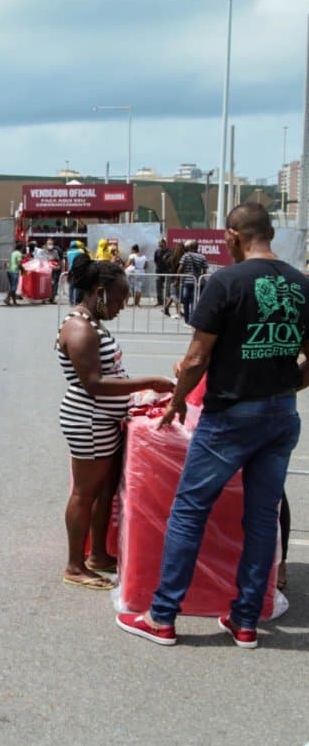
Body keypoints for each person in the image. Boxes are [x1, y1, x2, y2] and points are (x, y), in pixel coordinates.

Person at [117, 203, 309, 648]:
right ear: (269, 234)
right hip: (281, 413)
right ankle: (245, 622)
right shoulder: (302, 285)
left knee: (189, 511)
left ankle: (162, 616)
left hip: (230, 414)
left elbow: (198, 357)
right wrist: (285, 388)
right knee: (262, 519)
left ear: (232, 235)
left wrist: (178, 402)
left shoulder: (225, 282)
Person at [57, 255, 174, 589]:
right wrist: (148, 382)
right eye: (120, 298)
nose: (123, 306)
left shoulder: (92, 322)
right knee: (85, 492)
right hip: (89, 420)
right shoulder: (79, 327)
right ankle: (75, 565)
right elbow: (93, 383)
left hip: (103, 419)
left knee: (105, 490)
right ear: (100, 291)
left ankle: (98, 556)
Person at [178, 240, 208, 325]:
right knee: (194, 301)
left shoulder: (186, 255)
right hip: (197, 281)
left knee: (185, 300)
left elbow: (180, 268)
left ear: (190, 247)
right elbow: (204, 271)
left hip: (187, 281)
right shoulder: (202, 257)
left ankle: (187, 319)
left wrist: (177, 278)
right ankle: (192, 320)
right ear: (197, 247)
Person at [153, 237, 172, 313]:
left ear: (165, 243)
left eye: (161, 244)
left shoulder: (170, 251)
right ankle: (159, 301)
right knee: (158, 286)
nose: (159, 245)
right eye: (159, 244)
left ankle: (166, 303)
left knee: (167, 288)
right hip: (159, 271)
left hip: (167, 272)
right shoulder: (157, 251)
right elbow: (155, 261)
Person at [65, 240, 85, 305]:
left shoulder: (68, 252)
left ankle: (71, 301)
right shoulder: (80, 251)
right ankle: (76, 300)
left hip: (70, 270)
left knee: (71, 286)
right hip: (78, 269)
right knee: (77, 285)